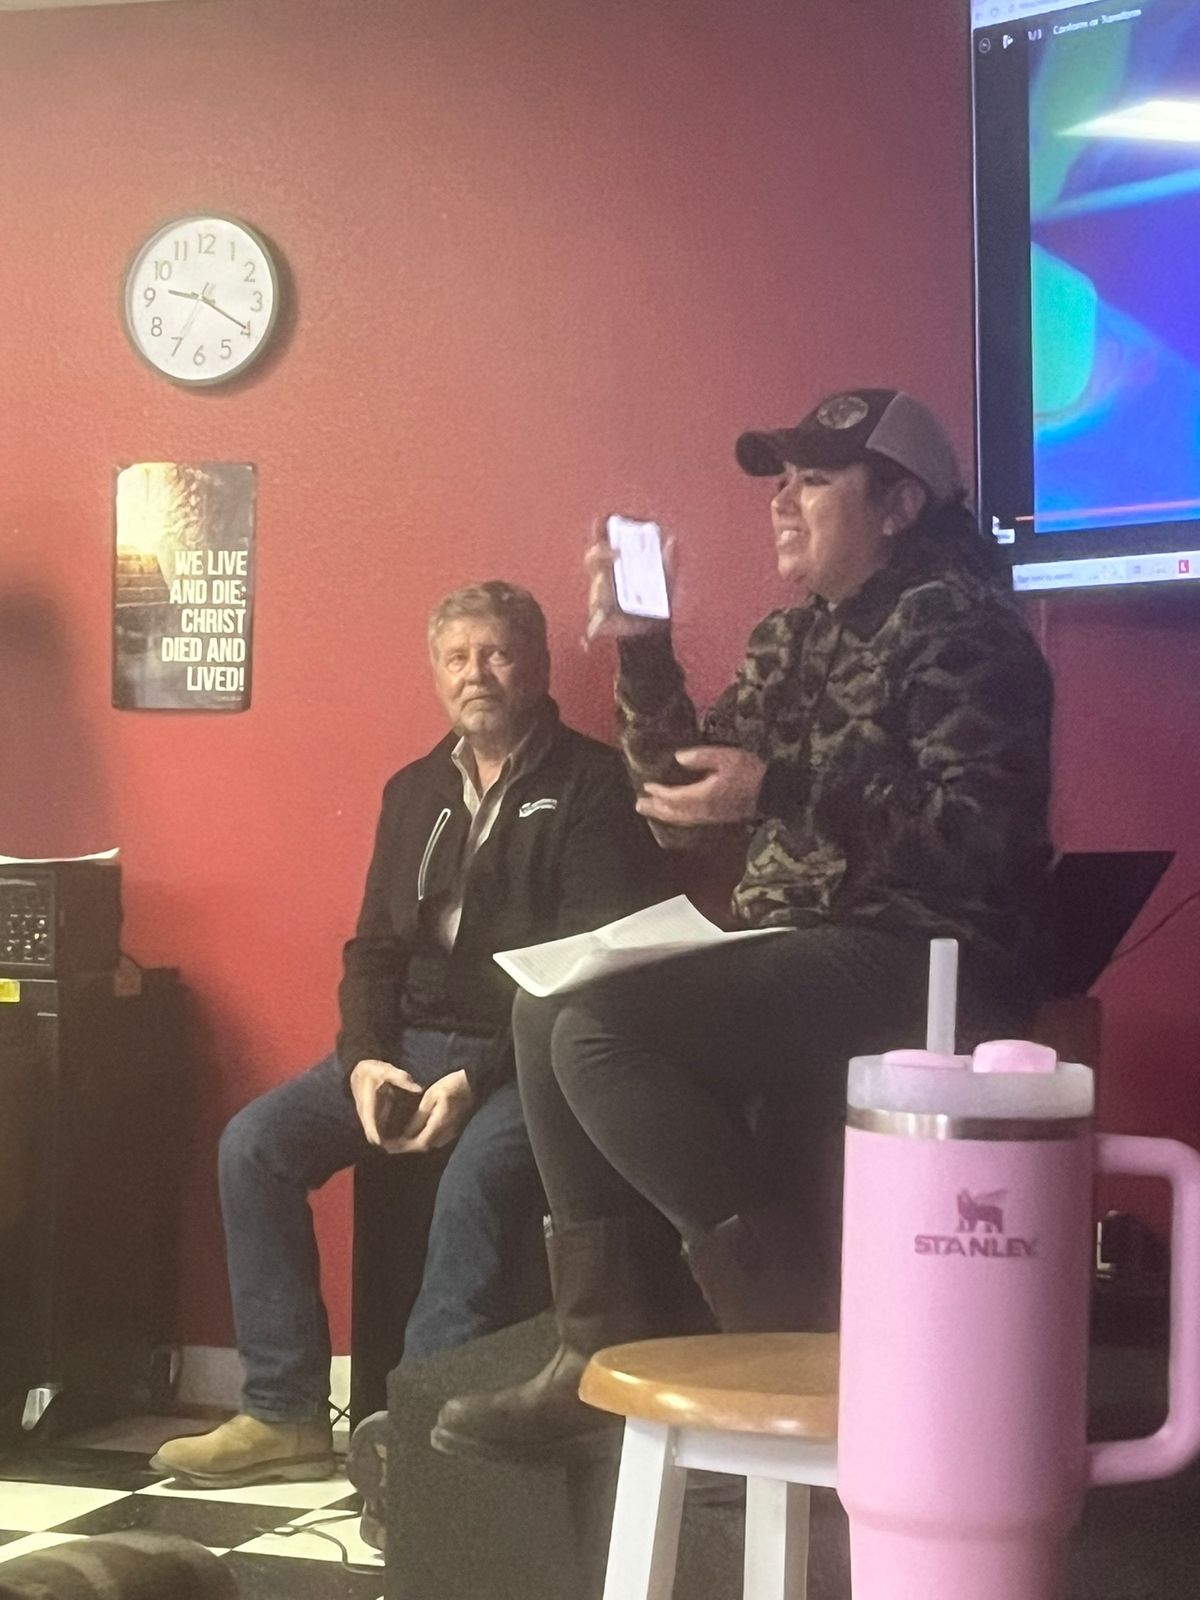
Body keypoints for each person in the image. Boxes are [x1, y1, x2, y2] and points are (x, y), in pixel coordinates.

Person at [432, 388, 1055, 1460]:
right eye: (780, 480)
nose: (782, 501)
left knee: (599, 1031)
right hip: (795, 946)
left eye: (815, 480)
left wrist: (782, 791)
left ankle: (790, 1327)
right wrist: (643, 648)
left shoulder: (965, 628)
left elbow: (982, 840)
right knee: (548, 1011)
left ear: (900, 504)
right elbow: (676, 795)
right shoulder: (794, 634)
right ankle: (596, 1346)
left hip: (927, 952)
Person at [152, 580, 667, 1487]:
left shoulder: (594, 786)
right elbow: (373, 951)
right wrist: (363, 1064)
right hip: (408, 1047)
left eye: (497, 652)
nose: (477, 673)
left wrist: (478, 1079)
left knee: (471, 1184)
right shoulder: (414, 789)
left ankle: (416, 1447)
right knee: (253, 1145)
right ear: (435, 673)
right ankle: (284, 1412)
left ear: (539, 665)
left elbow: (585, 964)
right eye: (457, 656)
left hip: (532, 1058)